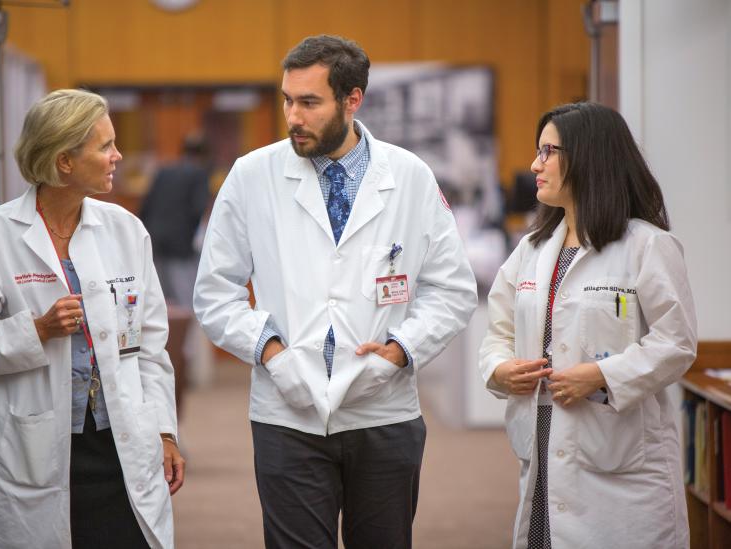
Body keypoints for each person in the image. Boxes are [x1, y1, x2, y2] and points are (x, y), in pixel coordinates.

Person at [194, 35, 477, 548]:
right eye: (287, 100)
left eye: (309, 102)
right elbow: (215, 292)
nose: (293, 117)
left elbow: (451, 290)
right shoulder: (253, 176)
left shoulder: (409, 177)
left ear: (352, 100)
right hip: (287, 411)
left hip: (383, 411)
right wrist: (273, 355)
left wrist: (400, 351)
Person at [0, 89, 184, 549]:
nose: (117, 156)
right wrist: (37, 330)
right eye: (105, 146)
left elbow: (150, 347)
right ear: (64, 161)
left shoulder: (125, 230)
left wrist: (165, 432)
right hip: (33, 450)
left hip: (121, 444)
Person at [479, 102, 697, 549]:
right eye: (537, 151)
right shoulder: (532, 250)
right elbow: (498, 332)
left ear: (589, 157)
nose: (535, 165)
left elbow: (676, 343)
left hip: (619, 457)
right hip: (542, 438)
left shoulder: (647, 246)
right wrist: (500, 369)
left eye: (548, 152)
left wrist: (601, 375)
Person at [140, 132, 211, 408]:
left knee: (159, 307)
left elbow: (145, 207)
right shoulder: (199, 175)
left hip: (156, 247)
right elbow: (197, 210)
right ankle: (185, 370)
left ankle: (160, 365)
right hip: (182, 250)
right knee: (186, 310)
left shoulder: (163, 171)